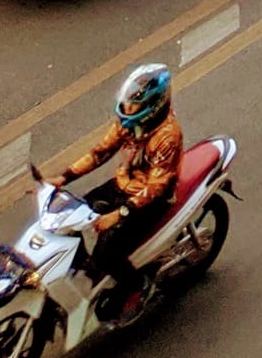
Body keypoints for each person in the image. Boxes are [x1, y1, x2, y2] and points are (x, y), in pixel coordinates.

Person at [47, 63, 183, 313]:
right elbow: (101, 151)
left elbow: (156, 188)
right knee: (69, 219)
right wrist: (65, 177)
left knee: (106, 254)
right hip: (122, 185)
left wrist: (118, 214)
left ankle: (138, 285)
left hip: (148, 200)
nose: (128, 108)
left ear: (153, 105)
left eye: (135, 104)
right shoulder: (128, 122)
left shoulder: (168, 137)